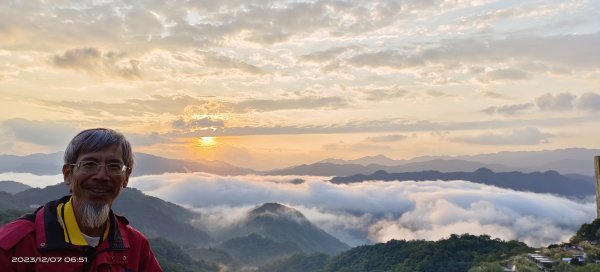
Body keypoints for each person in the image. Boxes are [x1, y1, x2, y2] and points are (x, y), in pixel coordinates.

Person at [0, 128, 162, 271]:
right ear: (68, 174)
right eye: (89, 164)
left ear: (126, 177)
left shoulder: (136, 246)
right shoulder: (16, 245)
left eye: (114, 166)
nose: (101, 176)